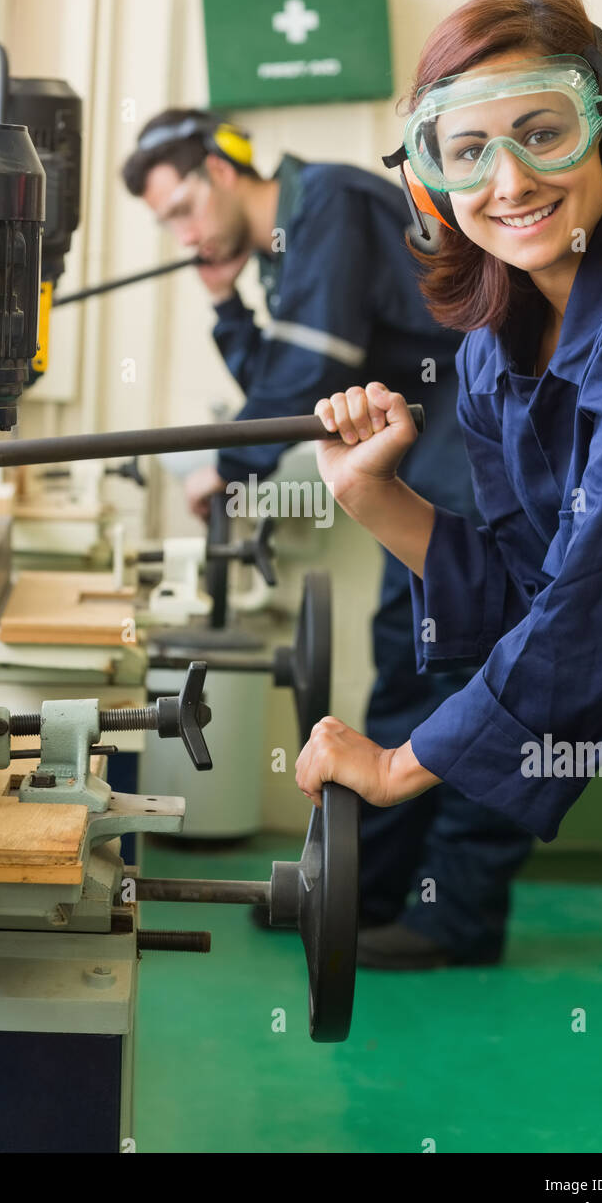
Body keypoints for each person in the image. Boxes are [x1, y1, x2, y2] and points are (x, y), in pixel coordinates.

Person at [295, 0, 602, 1153]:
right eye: (466, 149)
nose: (508, 181)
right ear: (427, 179)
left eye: (542, 132)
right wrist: (376, 495)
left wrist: (397, 767)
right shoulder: (492, 349)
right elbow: (532, 587)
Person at [122, 111, 533, 967]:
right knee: (414, 670)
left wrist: (228, 468)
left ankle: (457, 912)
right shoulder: (288, 248)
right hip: (425, 465)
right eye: (168, 225)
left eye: (185, 206)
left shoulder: (331, 208)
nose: (186, 232)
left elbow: (303, 378)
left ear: (225, 167)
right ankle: (367, 891)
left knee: (475, 671)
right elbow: (294, 390)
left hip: (475, 449)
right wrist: (225, 301)